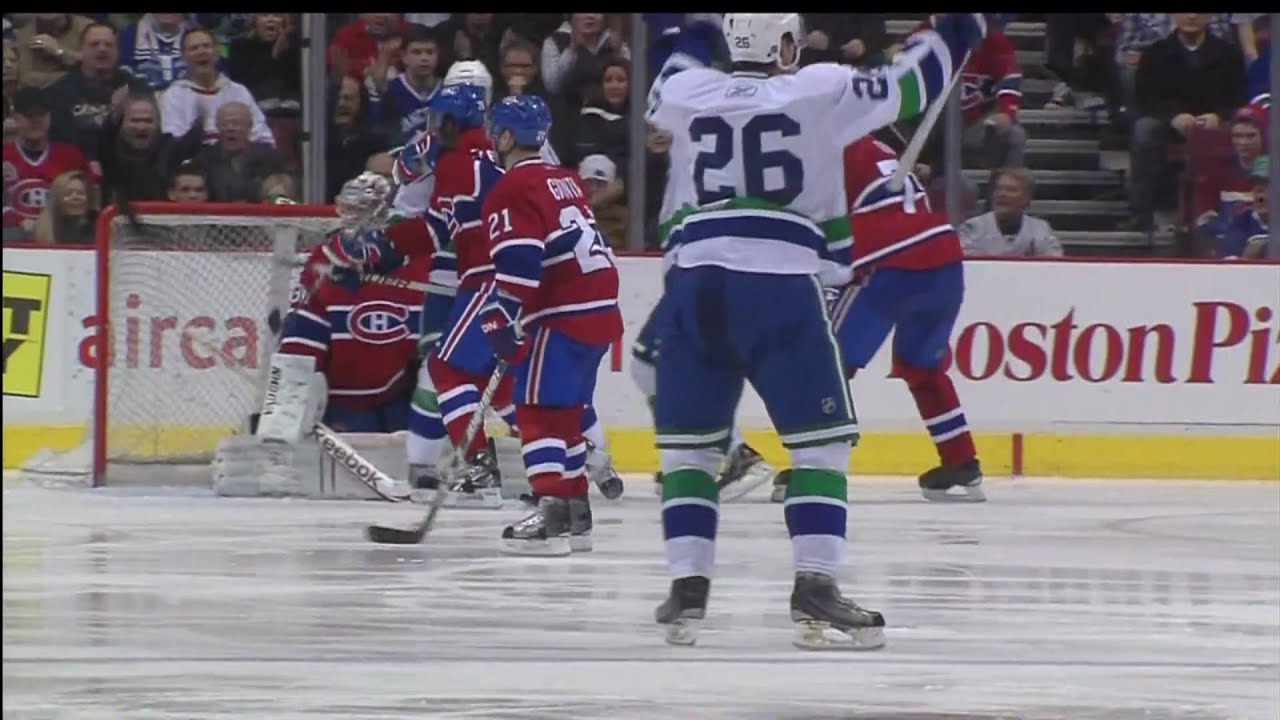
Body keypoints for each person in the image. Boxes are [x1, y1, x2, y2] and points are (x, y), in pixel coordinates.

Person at [644, 12, 986, 650]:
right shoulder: (818, 88)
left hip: (694, 280)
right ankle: (815, 585)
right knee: (821, 446)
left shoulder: (687, 89)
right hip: (777, 281)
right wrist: (955, 33)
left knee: (690, 451)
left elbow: (669, 69)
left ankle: (687, 589)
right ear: (783, 44)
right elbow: (912, 84)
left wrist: (689, 32)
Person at [478, 94, 623, 556]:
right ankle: (577, 510)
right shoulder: (565, 179)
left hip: (564, 311)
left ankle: (551, 513)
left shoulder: (511, 189)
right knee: (567, 411)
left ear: (505, 137)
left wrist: (501, 314)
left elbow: (521, 261)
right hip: (601, 306)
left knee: (535, 409)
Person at [821, 134, 983, 503]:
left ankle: (819, 463)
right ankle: (961, 460)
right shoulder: (879, 147)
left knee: (828, 362)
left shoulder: (823, 146)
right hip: (942, 254)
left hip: (886, 260)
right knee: (921, 367)